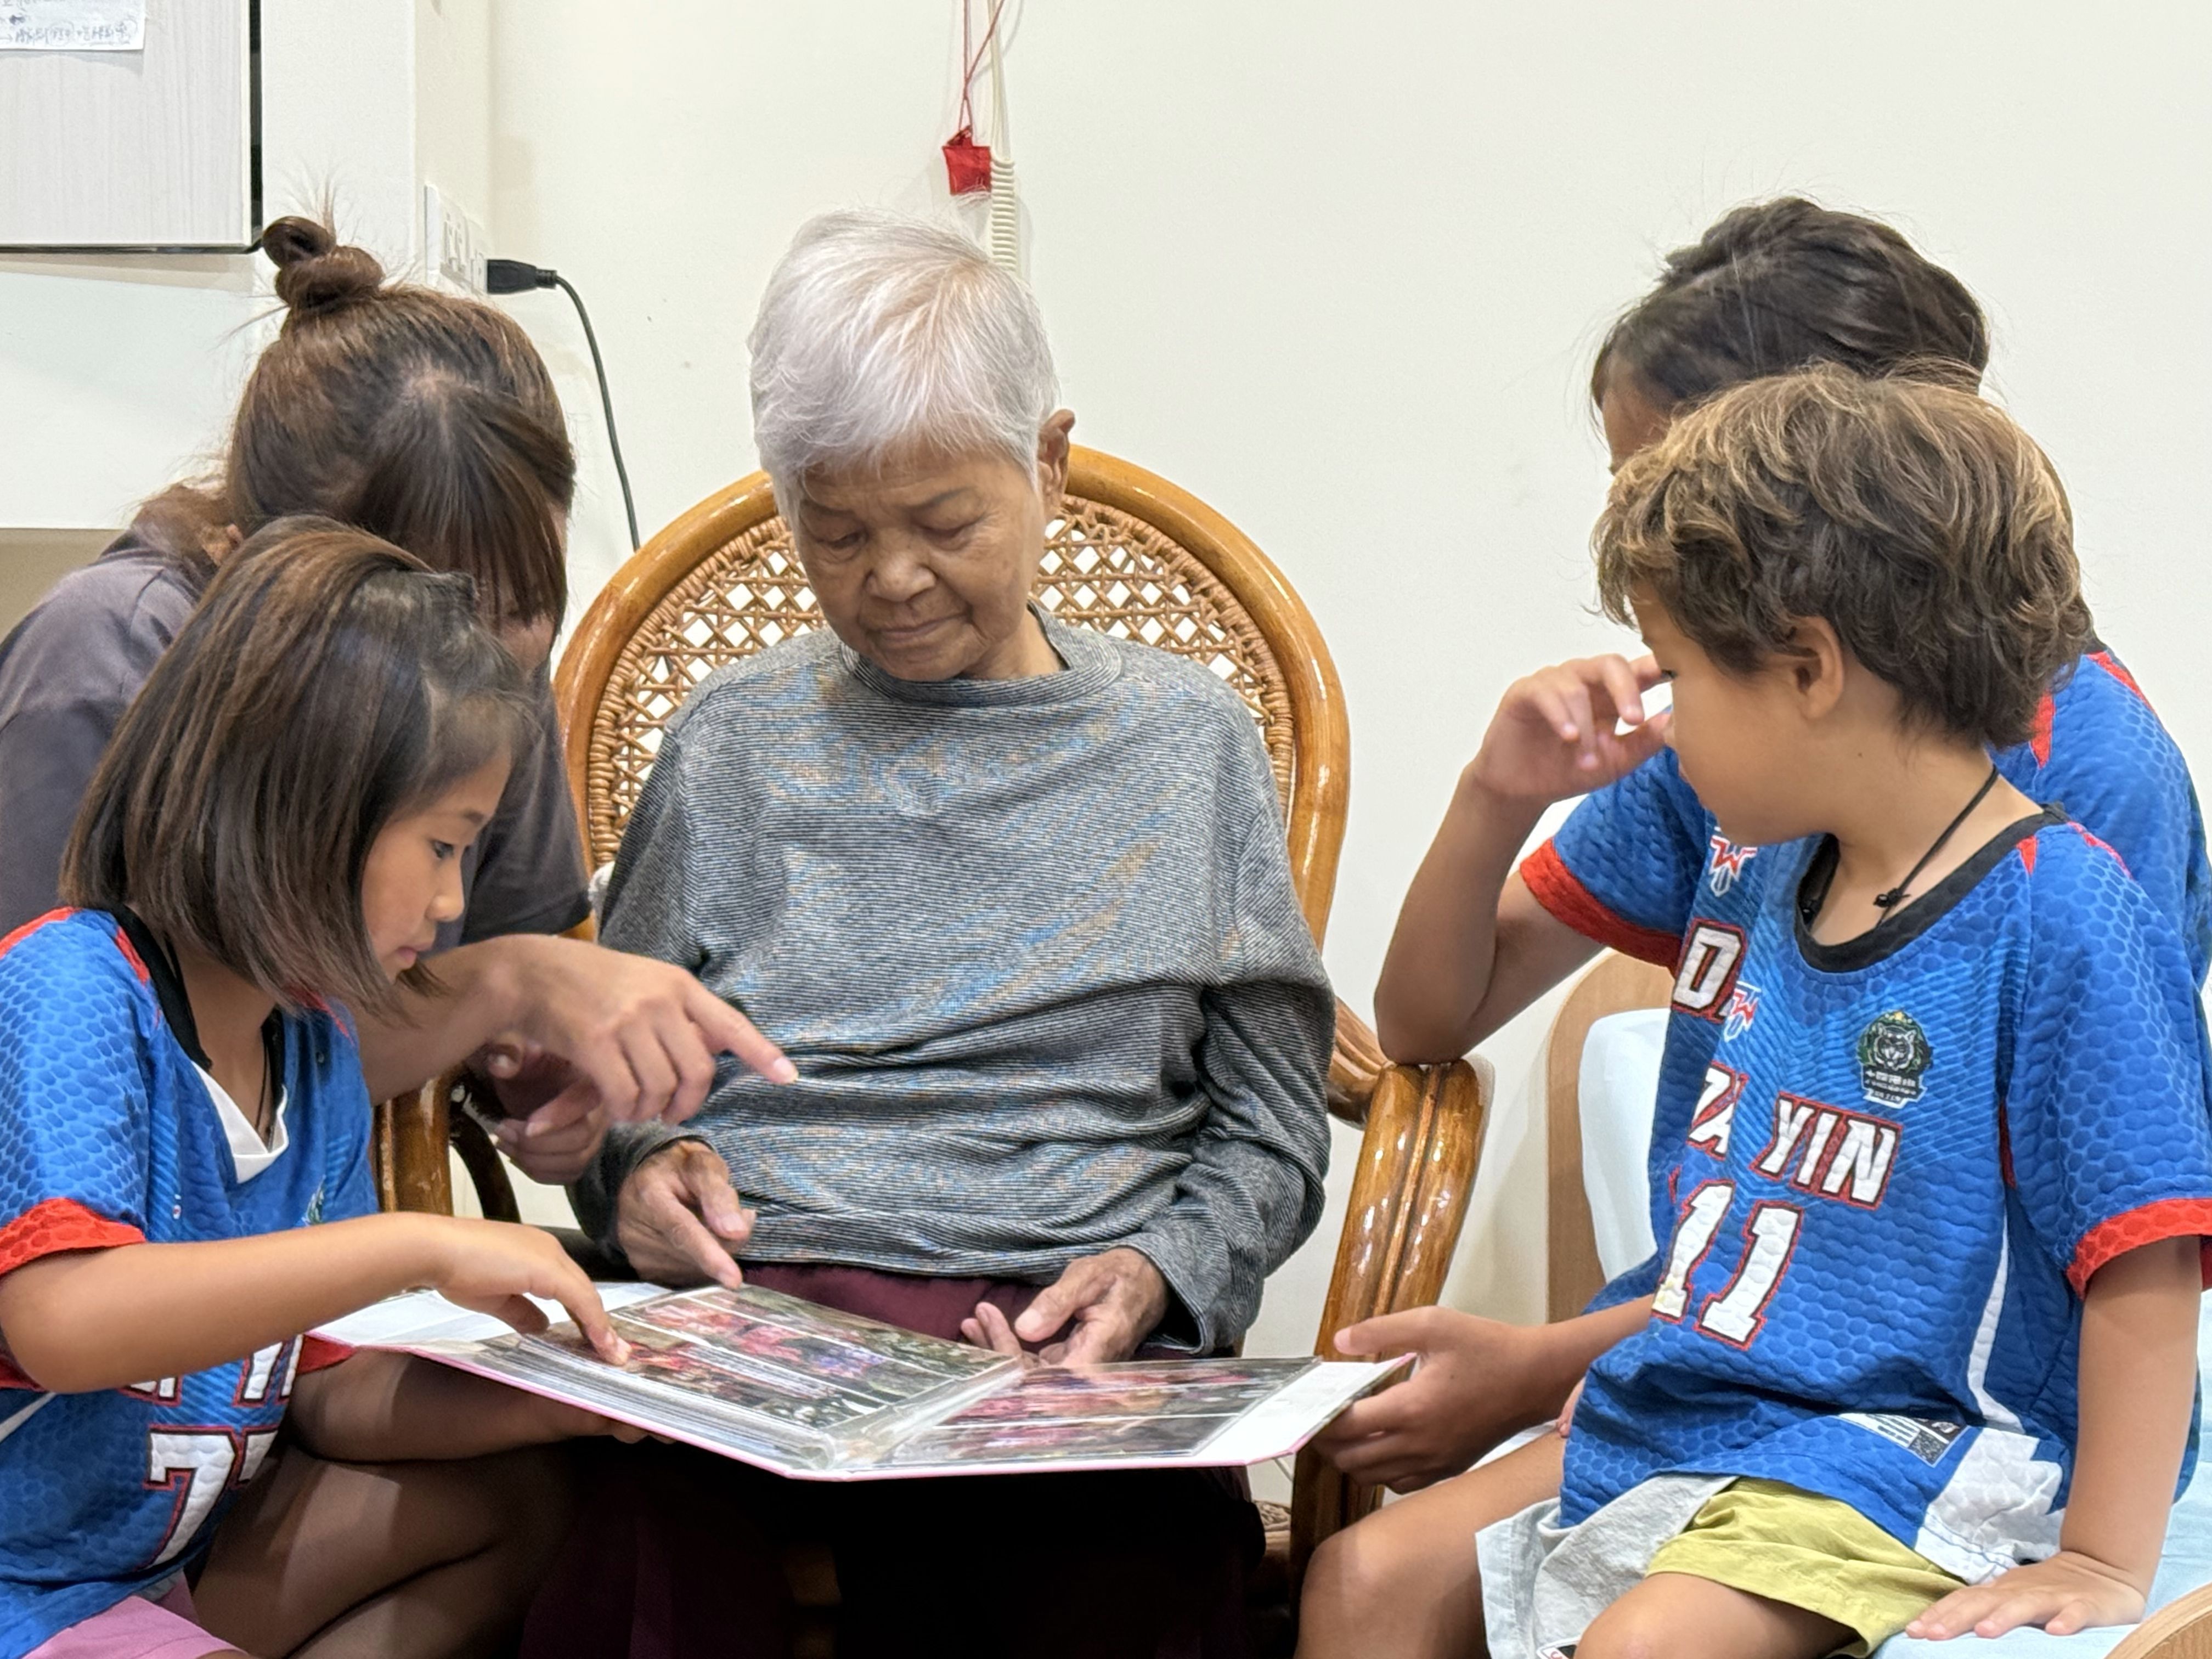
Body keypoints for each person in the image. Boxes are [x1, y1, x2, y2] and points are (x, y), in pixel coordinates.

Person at [1297, 199, 2212, 1658]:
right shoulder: (1772, 836)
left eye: (1677, 666)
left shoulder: (2072, 860)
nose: (1652, 703)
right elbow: (1430, 1023)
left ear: (1805, 651)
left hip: (1906, 1425)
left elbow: (2140, 1237)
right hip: (1726, 1380)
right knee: (1361, 1583)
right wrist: (1491, 795)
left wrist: (2108, 1556)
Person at [543, 210, 1335, 1659]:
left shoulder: (1187, 748)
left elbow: (1275, 1131)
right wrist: (645, 1171)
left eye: (947, 524)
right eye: (835, 535)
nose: (891, 579)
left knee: (1122, 1574)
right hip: (759, 1317)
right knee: (630, 1548)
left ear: (1050, 464)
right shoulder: (731, 748)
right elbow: (605, 1090)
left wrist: (1160, 1272)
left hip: (1051, 1332)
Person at [0, 217, 792, 1189]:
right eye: (447, 611)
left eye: (525, 607)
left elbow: (512, 960)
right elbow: (122, 1093)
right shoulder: (105, 671)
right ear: (271, 569)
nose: (489, 663)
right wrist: (501, 989)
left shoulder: (481, 653)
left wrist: (568, 1089)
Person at [0, 522, 639, 1659]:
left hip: (156, 1573)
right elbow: (62, 1321)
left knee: (522, 1502)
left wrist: (588, 1403)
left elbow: (324, 1394)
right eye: (444, 848)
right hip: (23, 1594)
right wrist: (415, 1246)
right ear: (308, 812)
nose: (453, 906)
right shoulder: (74, 985)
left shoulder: (313, 1048)